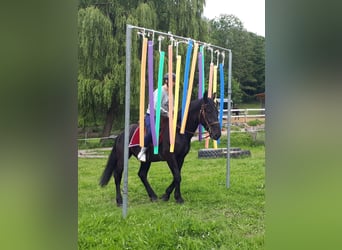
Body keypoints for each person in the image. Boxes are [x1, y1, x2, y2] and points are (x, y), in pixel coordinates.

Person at [137, 73, 175, 162]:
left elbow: (171, 107)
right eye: (173, 81)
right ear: (166, 81)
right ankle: (142, 151)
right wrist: (167, 113)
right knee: (153, 132)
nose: (174, 83)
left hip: (164, 116)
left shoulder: (171, 93)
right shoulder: (160, 91)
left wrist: (172, 113)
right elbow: (155, 106)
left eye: (174, 82)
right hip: (152, 115)